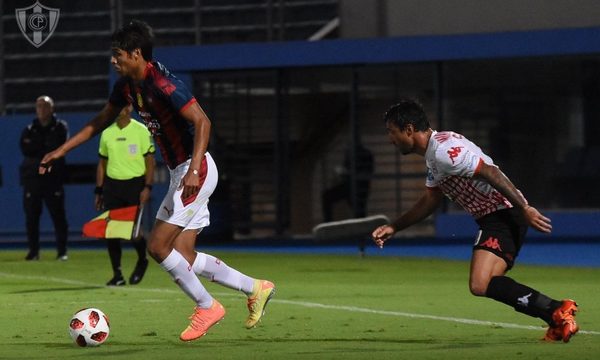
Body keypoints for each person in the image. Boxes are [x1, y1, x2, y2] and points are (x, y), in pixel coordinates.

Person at [39, 20, 275, 341]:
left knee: (158, 246)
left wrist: (193, 171)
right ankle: (255, 288)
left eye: (117, 54)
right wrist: (61, 150)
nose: (113, 61)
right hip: (182, 171)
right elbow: (100, 122)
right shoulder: (125, 86)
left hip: (197, 169)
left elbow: (203, 122)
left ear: (136, 54)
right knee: (184, 254)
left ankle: (207, 306)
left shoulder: (164, 84)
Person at [371, 98, 579, 343]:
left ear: (408, 129)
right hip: (497, 217)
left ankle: (556, 310)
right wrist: (395, 226)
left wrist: (525, 208)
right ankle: (556, 315)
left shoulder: (444, 153)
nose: (390, 139)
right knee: (487, 284)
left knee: (480, 284)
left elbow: (490, 171)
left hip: (502, 214)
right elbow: (430, 200)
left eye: (391, 132)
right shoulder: (434, 154)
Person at [95, 104, 155, 286]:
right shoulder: (107, 133)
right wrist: (98, 190)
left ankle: (142, 259)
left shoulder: (141, 131)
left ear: (129, 108)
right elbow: (102, 164)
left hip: (134, 185)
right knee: (111, 232)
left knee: (133, 233)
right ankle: (117, 274)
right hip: (112, 187)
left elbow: (150, 162)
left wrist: (148, 187)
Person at [20, 95, 69, 261]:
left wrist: (41, 150)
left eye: (45, 106)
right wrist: (46, 150)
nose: (41, 109)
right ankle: (33, 252)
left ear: (52, 108)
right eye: (39, 106)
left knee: (58, 216)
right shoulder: (29, 128)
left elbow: (59, 148)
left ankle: (62, 251)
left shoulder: (60, 127)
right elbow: (26, 149)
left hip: (53, 179)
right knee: (31, 217)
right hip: (33, 180)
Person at [322, 142, 374, 222]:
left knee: (359, 212)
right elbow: (347, 168)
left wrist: (348, 172)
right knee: (359, 212)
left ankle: (362, 229)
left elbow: (366, 173)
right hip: (350, 186)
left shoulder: (365, 154)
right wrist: (344, 172)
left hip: (359, 188)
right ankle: (362, 229)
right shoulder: (350, 153)